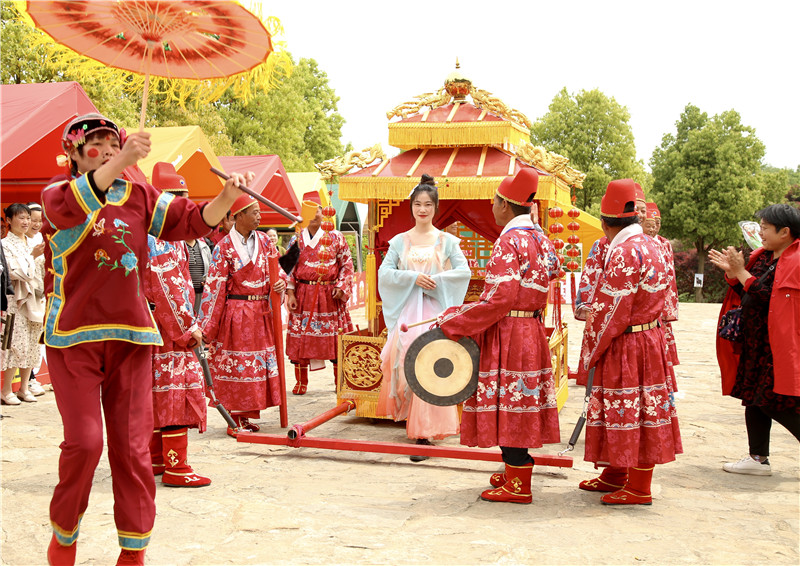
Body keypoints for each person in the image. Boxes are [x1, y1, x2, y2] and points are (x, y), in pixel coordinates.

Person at [42, 113, 251, 566]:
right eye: (94, 144)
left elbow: (189, 223)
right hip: (72, 338)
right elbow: (74, 207)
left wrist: (227, 197)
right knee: (84, 443)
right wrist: (124, 161)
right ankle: (64, 537)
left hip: (132, 337)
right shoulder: (58, 196)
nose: (107, 149)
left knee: (134, 448)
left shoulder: (140, 195)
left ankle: (132, 554)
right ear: (73, 153)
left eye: (111, 142)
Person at [438, 168, 561, 504]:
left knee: (509, 402)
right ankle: (513, 470)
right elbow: (555, 269)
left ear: (505, 206)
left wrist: (455, 319)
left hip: (510, 331)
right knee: (518, 402)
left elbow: (498, 299)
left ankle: (519, 481)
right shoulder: (540, 238)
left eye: (494, 201)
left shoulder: (509, 241)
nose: (491, 207)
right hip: (531, 328)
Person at [577, 178, 682, 506]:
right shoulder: (654, 245)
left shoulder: (623, 250)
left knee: (630, 411)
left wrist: (590, 351)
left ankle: (637, 487)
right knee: (632, 410)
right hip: (649, 338)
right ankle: (616, 474)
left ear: (605, 223)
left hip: (627, 343)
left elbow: (611, 311)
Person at [376, 174, 470, 460]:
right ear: (411, 206)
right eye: (418, 204)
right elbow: (384, 273)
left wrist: (437, 280)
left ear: (436, 207)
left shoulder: (447, 241)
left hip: (434, 313)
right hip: (408, 314)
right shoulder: (399, 241)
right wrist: (412, 277)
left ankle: (425, 431)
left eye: (428, 204)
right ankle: (415, 421)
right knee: (406, 363)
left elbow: (463, 272)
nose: (422, 209)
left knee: (429, 365)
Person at [710, 203, 800, 475]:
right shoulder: (763, 257)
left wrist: (740, 272)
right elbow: (747, 290)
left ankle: (758, 457)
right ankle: (758, 458)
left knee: (773, 401)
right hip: (756, 342)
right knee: (753, 398)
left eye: (765, 227)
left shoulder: (795, 261)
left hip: (778, 344)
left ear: (784, 232)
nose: (759, 232)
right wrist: (732, 273)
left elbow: (768, 296)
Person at [144, 163, 211, 488]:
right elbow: (169, 289)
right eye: (180, 198)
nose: (187, 205)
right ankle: (177, 468)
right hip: (169, 332)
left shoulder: (160, 234)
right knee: (176, 397)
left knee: (157, 395)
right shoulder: (162, 238)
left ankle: (156, 459)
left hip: (152, 329)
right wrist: (189, 328)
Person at [198, 194, 286, 437]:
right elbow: (215, 287)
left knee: (254, 367)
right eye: (255, 212)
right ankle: (233, 418)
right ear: (239, 216)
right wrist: (208, 327)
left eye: (259, 212)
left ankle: (246, 415)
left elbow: (277, 272)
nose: (260, 217)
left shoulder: (267, 243)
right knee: (238, 366)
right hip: (236, 314)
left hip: (261, 314)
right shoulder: (224, 247)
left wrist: (278, 285)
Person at [284, 202, 354, 394]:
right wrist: (290, 293)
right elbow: (288, 269)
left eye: (319, 210)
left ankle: (340, 381)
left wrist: (341, 287)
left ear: (324, 214)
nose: (316, 214)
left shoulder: (336, 236)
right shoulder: (296, 239)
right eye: (311, 210)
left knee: (334, 339)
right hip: (303, 294)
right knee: (300, 339)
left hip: (329, 294)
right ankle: (301, 381)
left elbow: (347, 265)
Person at [1, 203, 44, 405]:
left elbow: (41, 272)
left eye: (28, 217)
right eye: (21, 218)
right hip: (15, 301)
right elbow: (13, 272)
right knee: (14, 344)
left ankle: (25, 387)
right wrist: (32, 257)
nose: (26, 222)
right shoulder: (4, 244)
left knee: (33, 342)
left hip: (36, 299)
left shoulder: (32, 242)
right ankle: (6, 389)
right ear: (8, 221)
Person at [645, 202, 680, 370]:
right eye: (650, 225)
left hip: (661, 299)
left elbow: (670, 274)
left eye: (657, 224)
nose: (654, 229)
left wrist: (669, 306)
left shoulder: (664, 244)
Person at [24, 202, 47, 397]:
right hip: (26, 295)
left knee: (39, 337)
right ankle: (28, 379)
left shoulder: (42, 238)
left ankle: (34, 376)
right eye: (32, 220)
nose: (36, 224)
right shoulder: (19, 241)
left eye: (40, 221)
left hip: (43, 294)